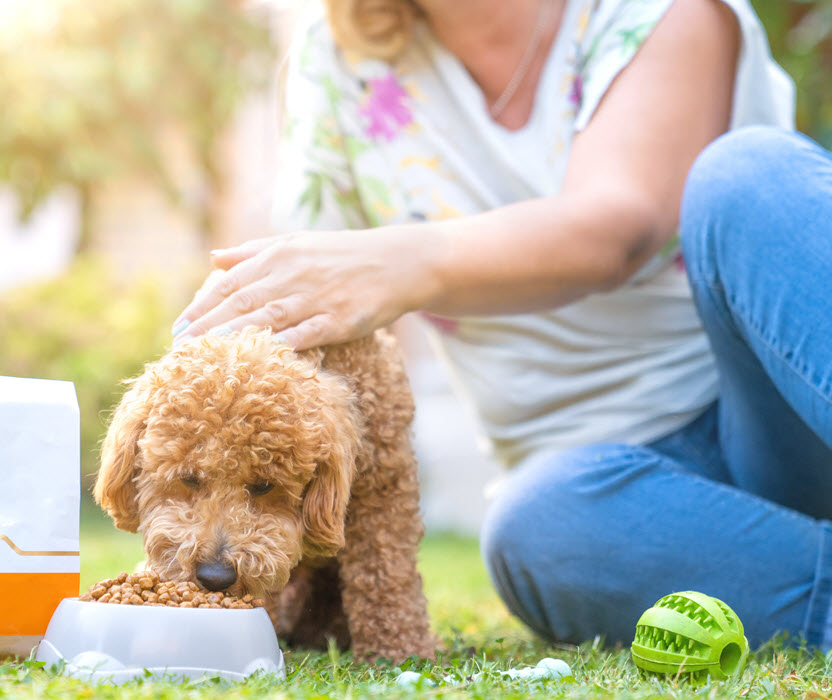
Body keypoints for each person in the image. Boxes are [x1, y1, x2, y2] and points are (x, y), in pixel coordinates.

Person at [171, 0, 828, 649]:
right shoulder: (339, 59)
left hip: (776, 417)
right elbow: (312, 310)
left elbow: (615, 226)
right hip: (599, 494)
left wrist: (401, 261)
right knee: (534, 528)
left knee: (749, 180)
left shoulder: (656, 11)